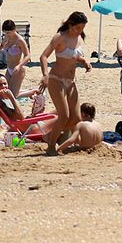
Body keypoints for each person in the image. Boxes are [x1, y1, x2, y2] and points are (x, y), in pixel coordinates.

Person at [39, 11, 93, 155]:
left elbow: (75, 56)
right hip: (56, 79)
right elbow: (43, 56)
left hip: (71, 81)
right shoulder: (60, 37)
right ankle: (51, 146)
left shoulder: (78, 38)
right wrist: (45, 75)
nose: (80, 31)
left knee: (75, 118)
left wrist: (84, 62)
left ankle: (50, 136)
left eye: (82, 28)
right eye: (77, 28)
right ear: (70, 24)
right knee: (64, 115)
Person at [0, 18, 29, 96]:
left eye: (8, 32)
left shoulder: (20, 40)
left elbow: (27, 55)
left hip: (18, 70)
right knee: (6, 92)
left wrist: (19, 66)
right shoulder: (7, 37)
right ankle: (29, 91)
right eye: (5, 32)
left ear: (14, 29)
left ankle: (33, 91)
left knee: (12, 95)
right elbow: (1, 45)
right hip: (9, 68)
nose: (6, 34)